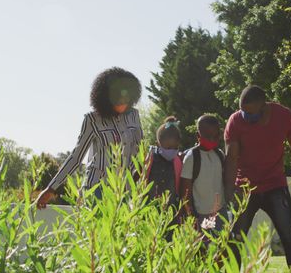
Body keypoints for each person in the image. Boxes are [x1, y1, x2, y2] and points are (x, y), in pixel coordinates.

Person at [224, 85, 291, 273]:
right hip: (245, 189)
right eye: (243, 111)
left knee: (289, 237)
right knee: (235, 238)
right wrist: (228, 194)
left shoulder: (284, 117)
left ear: (264, 107)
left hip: (275, 185)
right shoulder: (235, 122)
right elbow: (231, 159)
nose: (246, 117)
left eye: (251, 113)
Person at [35, 67, 143, 209]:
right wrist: (51, 189)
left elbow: (140, 153)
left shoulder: (134, 116)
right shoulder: (92, 120)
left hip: (123, 191)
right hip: (96, 189)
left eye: (127, 96)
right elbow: (76, 157)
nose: (124, 100)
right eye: (119, 96)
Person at [180, 115, 229, 236]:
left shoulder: (219, 154)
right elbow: (185, 190)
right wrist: (191, 216)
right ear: (198, 136)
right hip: (201, 214)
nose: (212, 140)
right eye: (208, 137)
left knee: (222, 248)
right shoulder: (192, 157)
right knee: (205, 249)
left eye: (215, 136)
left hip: (220, 212)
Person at [145, 116, 183, 211]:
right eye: (168, 148)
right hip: (150, 206)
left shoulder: (178, 161)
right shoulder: (151, 158)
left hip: (170, 208)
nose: (171, 151)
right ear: (158, 144)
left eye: (175, 148)